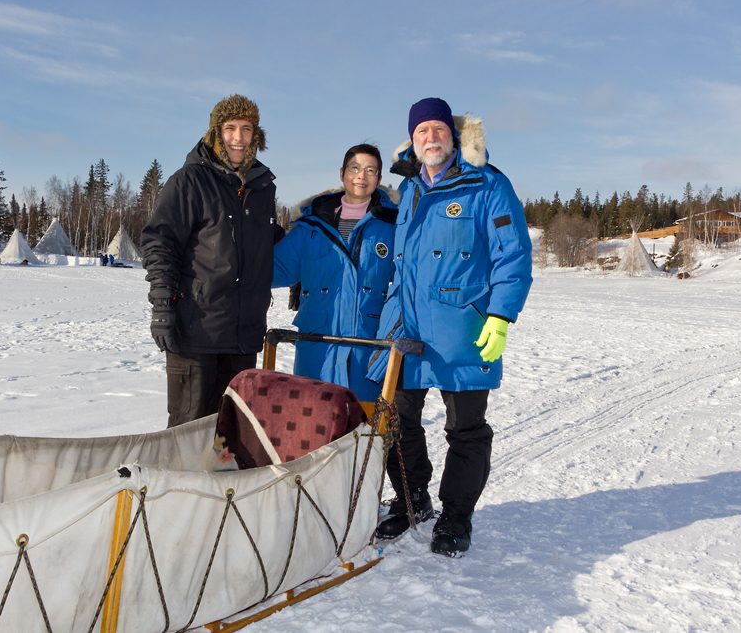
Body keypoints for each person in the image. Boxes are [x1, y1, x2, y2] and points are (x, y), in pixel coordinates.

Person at [367, 98, 533, 557]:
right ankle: (411, 500)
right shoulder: (408, 193)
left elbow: (513, 255)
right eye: (422, 132)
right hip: (406, 330)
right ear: (413, 141)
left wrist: (500, 315)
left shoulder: (487, 185)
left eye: (438, 129)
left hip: (463, 330)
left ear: (454, 137)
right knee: (397, 422)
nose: (431, 138)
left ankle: (456, 516)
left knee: (465, 430)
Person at [141, 94, 279, 428]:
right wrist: (162, 305)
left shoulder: (262, 188)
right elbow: (160, 241)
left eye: (247, 129)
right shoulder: (189, 181)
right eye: (230, 128)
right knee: (188, 433)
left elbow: (268, 242)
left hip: (243, 338)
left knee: (233, 436)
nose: (238, 137)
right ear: (215, 133)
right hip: (196, 333)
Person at [272, 144, 398, 403]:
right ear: (342, 173)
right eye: (355, 168)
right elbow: (274, 270)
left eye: (370, 170)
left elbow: (411, 280)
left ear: (379, 179)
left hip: (368, 352)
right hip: (317, 350)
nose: (361, 176)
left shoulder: (393, 226)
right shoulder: (311, 226)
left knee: (364, 436)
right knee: (313, 433)